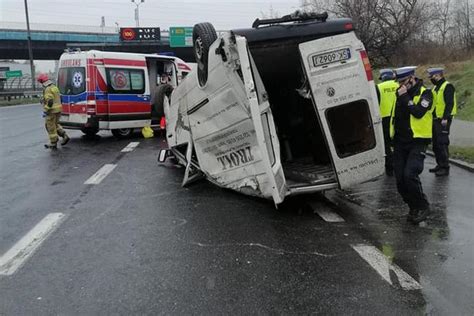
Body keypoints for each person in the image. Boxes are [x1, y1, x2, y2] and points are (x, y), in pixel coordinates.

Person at [390, 66, 434, 224]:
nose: (400, 85)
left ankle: (422, 206)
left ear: (412, 78)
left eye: (403, 82)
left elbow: (418, 112)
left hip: (418, 141)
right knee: (400, 180)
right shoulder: (400, 93)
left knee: (410, 175)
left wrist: (405, 98)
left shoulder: (426, 93)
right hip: (400, 142)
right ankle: (413, 206)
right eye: (399, 82)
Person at [427, 67, 457, 177]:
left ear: (438, 75)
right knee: (435, 144)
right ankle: (439, 164)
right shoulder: (436, 87)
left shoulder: (447, 86)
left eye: (432, 76)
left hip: (443, 120)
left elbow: (449, 103)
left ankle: (445, 167)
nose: (431, 79)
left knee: (442, 143)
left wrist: (445, 117)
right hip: (435, 119)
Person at [37, 73, 70, 149]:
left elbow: (50, 101)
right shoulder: (54, 87)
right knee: (55, 124)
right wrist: (43, 99)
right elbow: (57, 98)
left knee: (50, 126)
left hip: (51, 111)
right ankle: (64, 135)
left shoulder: (47, 89)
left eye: (40, 82)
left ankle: (53, 143)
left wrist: (46, 110)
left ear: (42, 81)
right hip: (58, 109)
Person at [376, 69, 399, 176]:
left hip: (385, 118)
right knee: (399, 141)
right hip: (399, 116)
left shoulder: (379, 87)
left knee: (386, 143)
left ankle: (390, 167)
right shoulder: (399, 84)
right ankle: (400, 165)